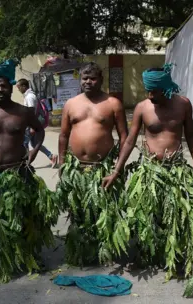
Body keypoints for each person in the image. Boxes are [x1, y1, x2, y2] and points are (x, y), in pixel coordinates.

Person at [101, 65, 193, 279]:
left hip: (176, 168)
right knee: (147, 215)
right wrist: (116, 170)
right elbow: (130, 140)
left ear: (167, 88)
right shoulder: (142, 107)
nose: (151, 95)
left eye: (155, 91)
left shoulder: (184, 105)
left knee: (177, 216)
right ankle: (149, 253)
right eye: (148, 91)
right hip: (149, 170)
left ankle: (174, 256)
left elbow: (191, 136)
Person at [0, 60, 57, 279]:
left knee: (25, 216)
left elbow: (39, 131)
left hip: (18, 172)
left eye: (4, 85)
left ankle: (31, 255)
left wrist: (34, 151)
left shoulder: (24, 112)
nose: (0, 89)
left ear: (11, 87)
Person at [57, 62, 128, 265]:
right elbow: (63, 136)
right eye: (85, 78)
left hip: (103, 167)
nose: (88, 82)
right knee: (78, 211)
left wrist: (117, 168)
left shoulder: (113, 103)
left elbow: (124, 137)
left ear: (101, 80)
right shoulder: (71, 104)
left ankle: (105, 253)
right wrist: (63, 166)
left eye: (93, 78)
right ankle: (82, 252)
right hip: (76, 167)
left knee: (104, 212)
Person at [16, 78, 58, 167]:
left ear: (24, 86)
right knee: (35, 144)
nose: (18, 89)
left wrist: (32, 126)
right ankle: (51, 156)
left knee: (24, 143)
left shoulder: (30, 97)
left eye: (19, 87)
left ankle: (26, 162)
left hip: (31, 125)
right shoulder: (30, 95)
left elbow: (32, 112)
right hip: (31, 124)